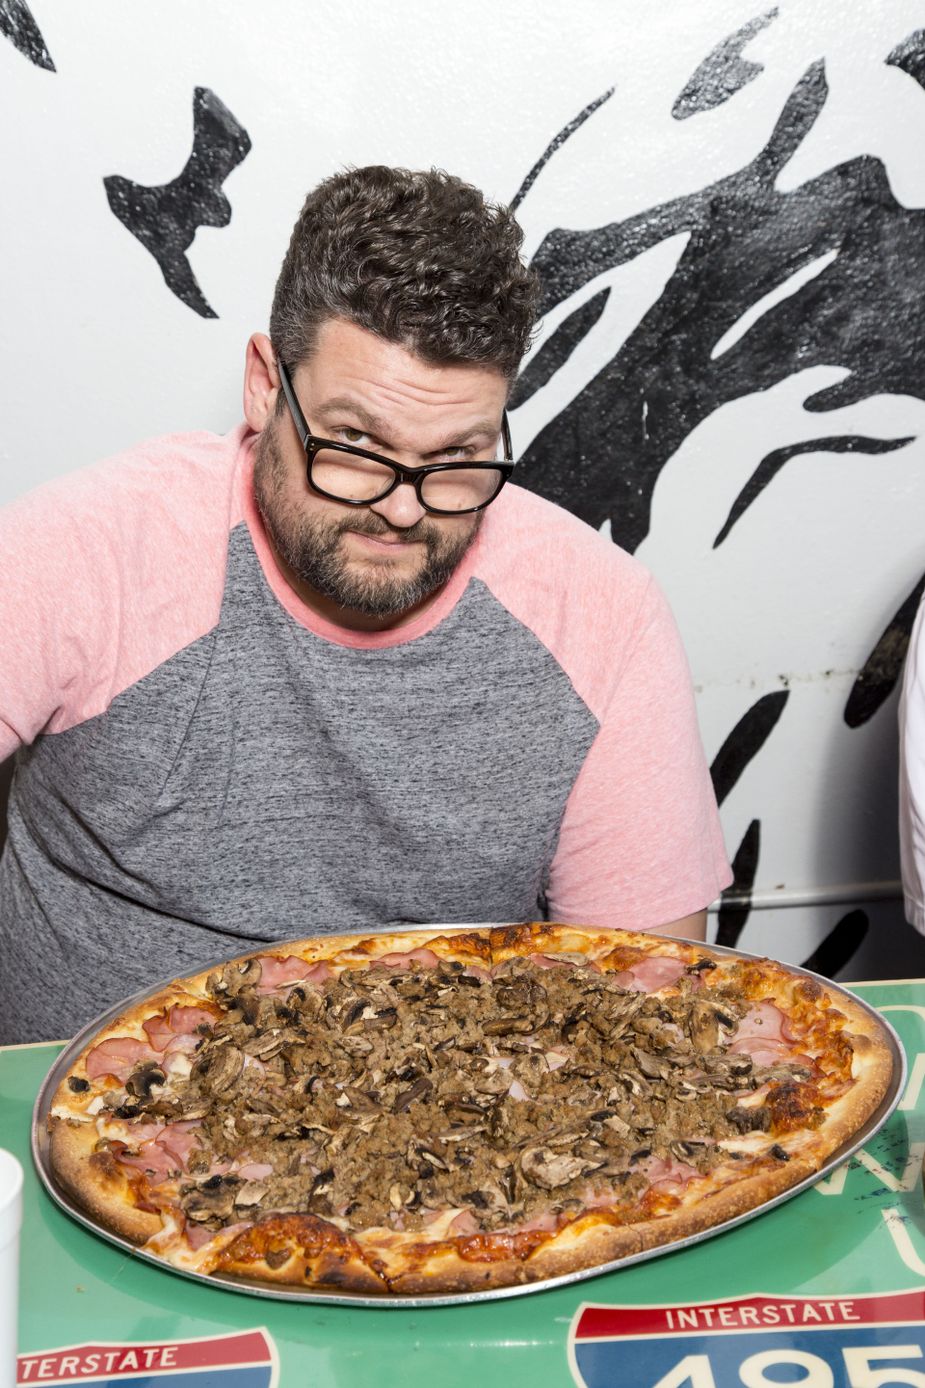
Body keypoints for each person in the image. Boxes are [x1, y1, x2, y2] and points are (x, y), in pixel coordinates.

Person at [0, 166, 731, 1042]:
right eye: (354, 444)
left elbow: (647, 1010)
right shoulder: (89, 548)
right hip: (69, 1124)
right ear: (266, 387)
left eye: (458, 454)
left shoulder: (602, 614)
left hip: (440, 1147)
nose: (403, 506)